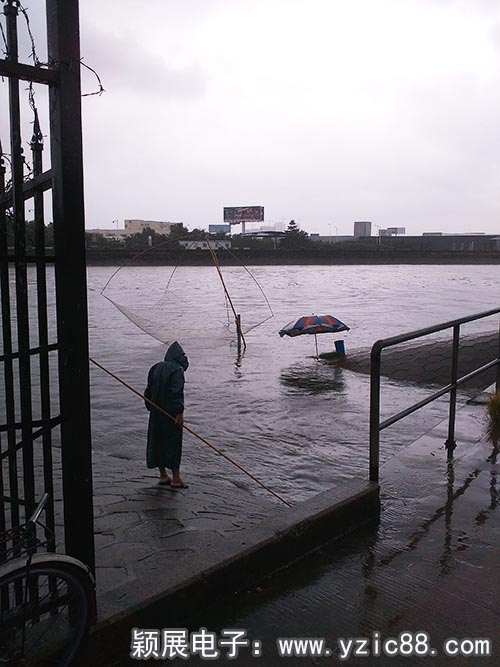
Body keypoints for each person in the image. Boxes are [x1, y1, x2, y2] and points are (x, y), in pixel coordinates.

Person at [144, 341, 189, 488]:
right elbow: (176, 393)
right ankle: (176, 478)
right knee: (174, 444)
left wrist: (150, 407)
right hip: (170, 414)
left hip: (156, 413)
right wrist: (179, 413)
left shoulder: (155, 367)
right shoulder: (177, 370)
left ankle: (163, 475)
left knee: (157, 442)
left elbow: (148, 391)